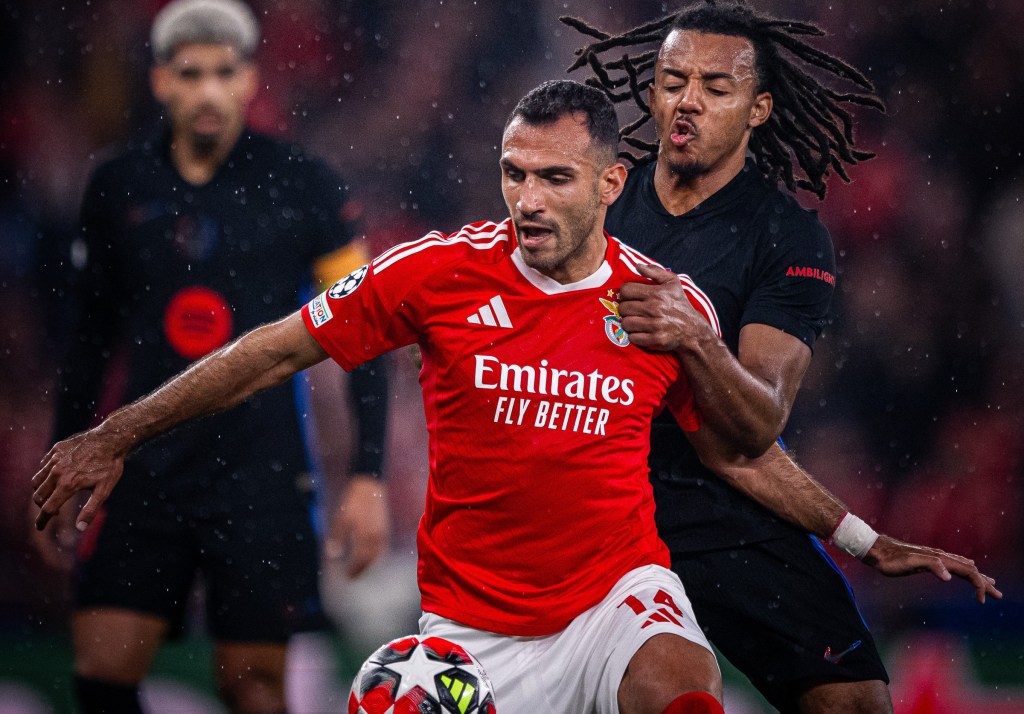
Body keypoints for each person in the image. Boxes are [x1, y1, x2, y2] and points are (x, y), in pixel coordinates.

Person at [32, 79, 998, 714]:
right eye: (513, 174)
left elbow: (738, 452)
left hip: (615, 599)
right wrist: (118, 432)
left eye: (554, 178)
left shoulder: (666, 307)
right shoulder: (437, 274)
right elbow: (271, 351)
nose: (527, 199)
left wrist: (862, 538)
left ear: (611, 183)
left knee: (681, 685)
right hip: (468, 631)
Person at [562, 2, 1001, 712]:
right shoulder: (594, 207)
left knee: (853, 701)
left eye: (715, 86)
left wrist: (696, 336)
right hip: (595, 501)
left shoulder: (786, 238)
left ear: (758, 109)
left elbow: (754, 427)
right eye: (672, 82)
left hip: (718, 508)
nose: (687, 101)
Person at [29, 1, 390, 712]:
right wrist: (62, 458)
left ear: (250, 79)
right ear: (161, 80)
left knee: (253, 688)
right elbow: (89, 339)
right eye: (191, 73)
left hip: (262, 475)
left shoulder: (304, 184)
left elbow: (367, 328)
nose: (209, 91)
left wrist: (368, 474)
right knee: (101, 673)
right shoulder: (118, 186)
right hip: (141, 469)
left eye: (224, 73)